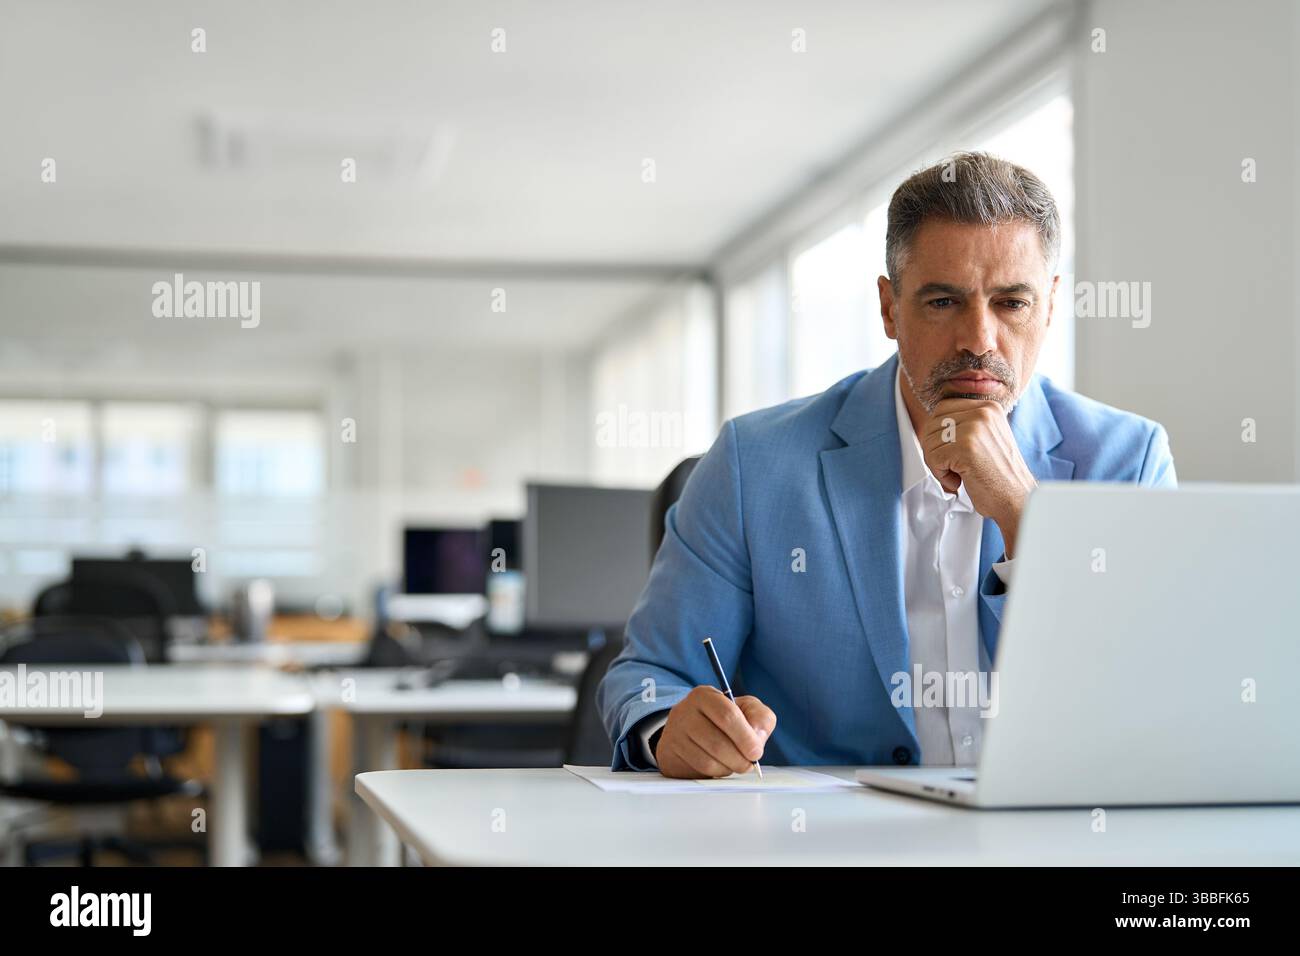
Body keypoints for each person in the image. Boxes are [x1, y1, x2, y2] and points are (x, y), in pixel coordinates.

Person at [597, 151, 1176, 777]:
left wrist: (1023, 512)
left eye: (1011, 303)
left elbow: (1155, 692)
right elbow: (649, 676)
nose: (978, 340)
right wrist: (668, 729)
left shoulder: (1128, 462)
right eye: (943, 301)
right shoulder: (753, 466)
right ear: (889, 309)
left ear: (1051, 305)